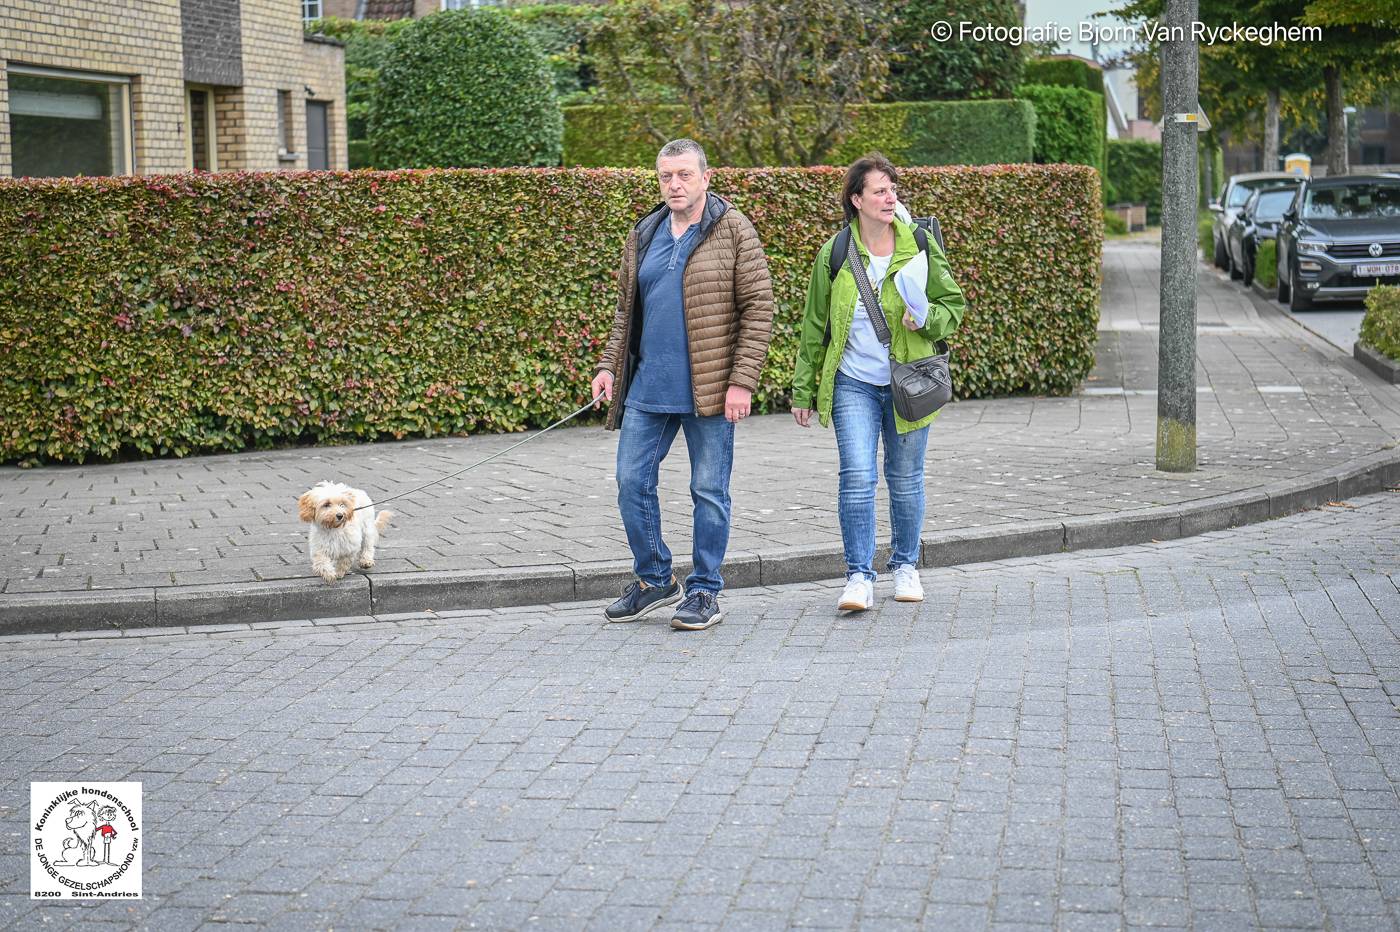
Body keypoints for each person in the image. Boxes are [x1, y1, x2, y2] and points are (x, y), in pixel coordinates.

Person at [591, 139, 774, 631]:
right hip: (649, 388)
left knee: (708, 490)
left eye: (684, 175)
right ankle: (654, 579)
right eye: (666, 175)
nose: (674, 184)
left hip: (712, 390)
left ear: (706, 178)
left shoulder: (732, 228)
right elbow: (626, 312)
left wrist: (742, 382)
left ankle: (704, 591)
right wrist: (609, 366)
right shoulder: (645, 231)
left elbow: (759, 308)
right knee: (632, 482)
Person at [790, 153, 966, 612]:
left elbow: (954, 308)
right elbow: (814, 326)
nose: (890, 198)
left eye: (893, 189)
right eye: (879, 191)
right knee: (857, 477)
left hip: (910, 381)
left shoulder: (920, 245)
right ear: (857, 199)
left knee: (905, 479)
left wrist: (925, 319)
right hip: (853, 384)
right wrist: (803, 390)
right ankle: (858, 577)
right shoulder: (834, 254)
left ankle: (905, 565)